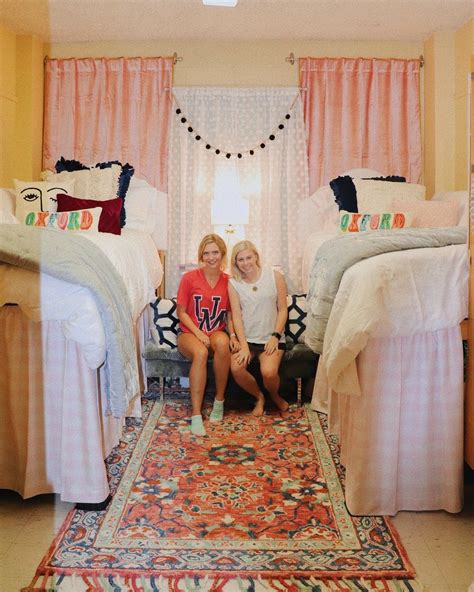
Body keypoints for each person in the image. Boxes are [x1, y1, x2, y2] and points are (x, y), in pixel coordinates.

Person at [176, 233, 234, 436]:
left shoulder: (229, 281)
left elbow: (229, 313)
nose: (211, 257)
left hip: (216, 331)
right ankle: (196, 414)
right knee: (200, 352)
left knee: (223, 342)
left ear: (222, 254)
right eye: (206, 253)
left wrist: (233, 335)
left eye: (215, 252)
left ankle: (219, 401)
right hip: (189, 333)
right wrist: (199, 333)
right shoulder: (189, 278)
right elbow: (181, 312)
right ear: (201, 255)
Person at [228, 240, 289, 416]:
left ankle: (275, 395)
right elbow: (236, 316)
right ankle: (259, 397)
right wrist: (244, 345)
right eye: (240, 259)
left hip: (271, 336)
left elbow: (283, 309)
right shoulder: (234, 283)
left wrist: (275, 336)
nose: (246, 262)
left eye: (249, 257)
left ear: (256, 256)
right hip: (247, 338)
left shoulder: (275, 275)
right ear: (235, 262)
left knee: (269, 373)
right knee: (236, 368)